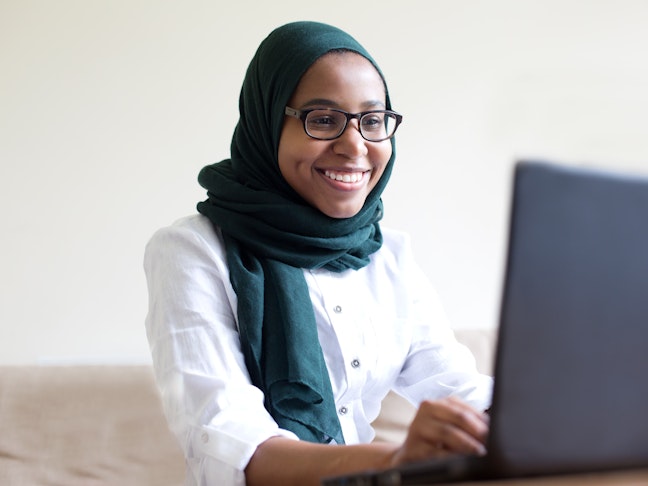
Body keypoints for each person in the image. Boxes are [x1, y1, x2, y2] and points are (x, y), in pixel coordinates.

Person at [144, 20, 492, 486]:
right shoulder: (192, 250)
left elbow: (461, 389)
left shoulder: (388, 255)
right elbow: (232, 443)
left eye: (372, 120)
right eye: (323, 119)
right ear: (267, 123)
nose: (355, 146)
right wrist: (393, 462)